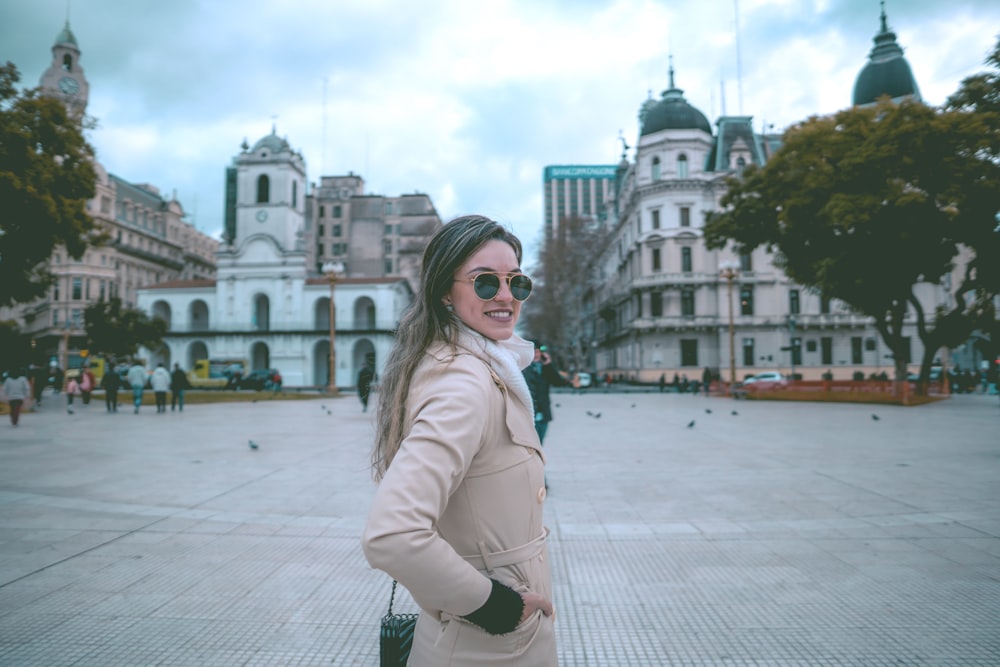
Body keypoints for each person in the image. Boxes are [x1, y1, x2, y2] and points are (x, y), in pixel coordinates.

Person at [362, 215, 556, 665]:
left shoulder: (480, 365)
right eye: (485, 283)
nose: (506, 296)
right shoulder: (463, 384)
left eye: (517, 282)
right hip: (486, 647)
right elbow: (392, 535)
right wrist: (500, 607)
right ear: (445, 292)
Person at [522, 343, 567, 445]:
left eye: (537, 351)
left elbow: (559, 382)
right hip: (528, 414)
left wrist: (548, 364)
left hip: (543, 413)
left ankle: (537, 461)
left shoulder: (545, 368)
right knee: (530, 445)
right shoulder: (522, 367)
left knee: (539, 443)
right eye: (532, 351)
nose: (535, 354)